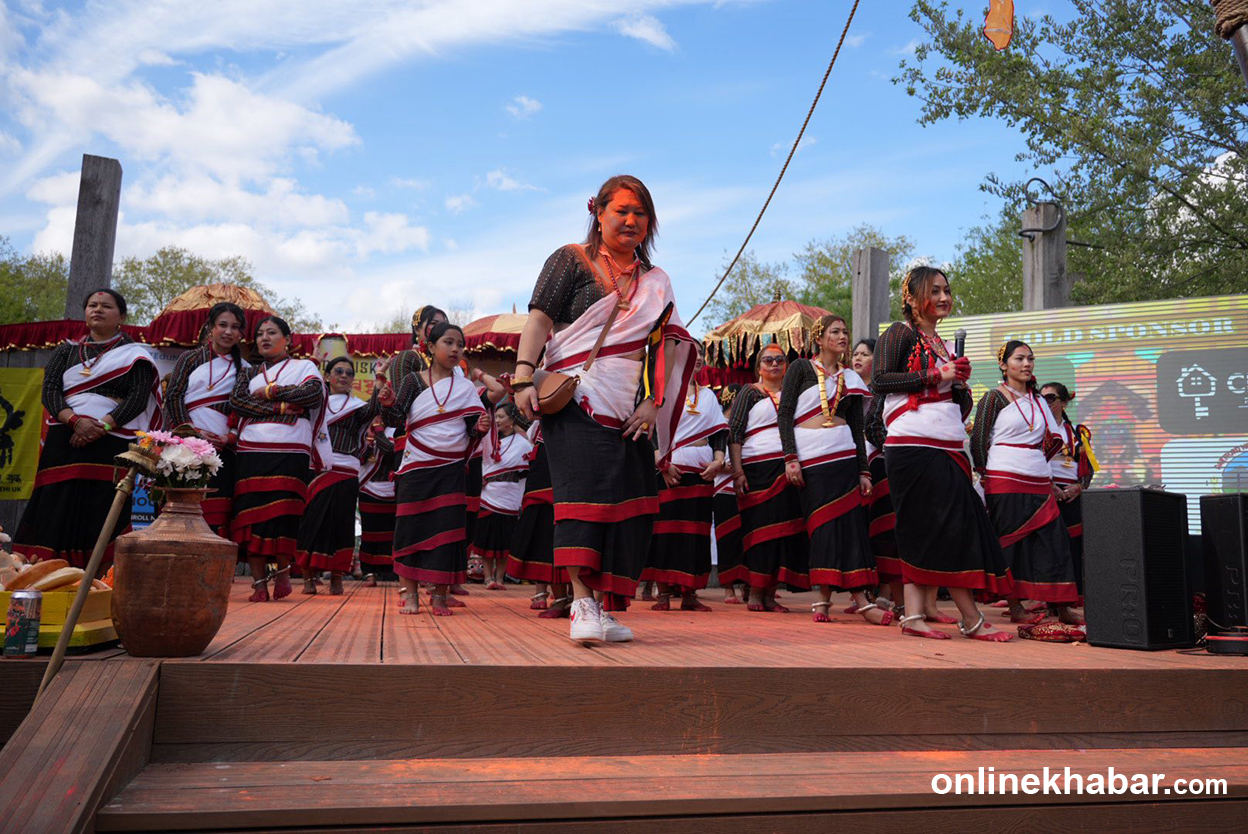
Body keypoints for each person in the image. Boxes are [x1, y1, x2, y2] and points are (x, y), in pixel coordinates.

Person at [513, 174, 697, 644]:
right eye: (622, 211)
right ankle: (580, 603)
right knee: (583, 501)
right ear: (598, 214)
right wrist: (522, 376)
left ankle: (603, 607)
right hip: (576, 397)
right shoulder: (569, 259)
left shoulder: (656, 281)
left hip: (631, 406)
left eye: (641, 213)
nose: (631, 220)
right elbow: (539, 320)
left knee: (628, 506)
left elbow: (666, 344)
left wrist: (653, 403)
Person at [865, 266, 1013, 641]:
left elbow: (955, 403)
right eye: (934, 291)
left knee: (938, 529)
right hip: (912, 445)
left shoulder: (943, 345)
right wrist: (937, 375)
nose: (944, 297)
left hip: (947, 443)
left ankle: (914, 617)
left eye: (947, 290)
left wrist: (959, 385)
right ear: (912, 298)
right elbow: (880, 380)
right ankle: (971, 618)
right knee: (941, 527)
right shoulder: (899, 333)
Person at [15, 289, 160, 567]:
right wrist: (75, 422)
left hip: (112, 439)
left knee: (102, 503)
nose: (98, 309)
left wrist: (101, 426)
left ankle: (98, 575)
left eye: (106, 306)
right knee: (56, 500)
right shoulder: (66, 351)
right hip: (65, 437)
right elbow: (50, 391)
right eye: (92, 305)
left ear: (122, 317)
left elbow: (138, 398)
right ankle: (47, 569)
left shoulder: (135, 356)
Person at [778, 316, 889, 626]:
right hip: (811, 457)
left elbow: (857, 427)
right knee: (822, 527)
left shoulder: (850, 377)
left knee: (851, 528)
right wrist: (790, 457)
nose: (842, 337)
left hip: (844, 457)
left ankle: (853, 600)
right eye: (835, 332)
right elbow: (785, 414)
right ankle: (826, 599)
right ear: (819, 338)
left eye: (845, 332)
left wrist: (864, 471)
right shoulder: (801, 368)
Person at [968, 342, 1083, 624]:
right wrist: (986, 475)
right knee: (1011, 542)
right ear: (1003, 365)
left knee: (1054, 541)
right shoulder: (994, 397)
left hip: (1038, 477)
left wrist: (1045, 474)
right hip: (1004, 476)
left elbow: (1052, 440)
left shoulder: (1039, 401)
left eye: (1030, 359)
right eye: (1019, 359)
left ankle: (1061, 606)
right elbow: (978, 440)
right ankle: (1015, 606)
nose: (1026, 364)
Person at [382, 322, 489, 616]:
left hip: (450, 469)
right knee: (410, 529)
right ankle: (411, 596)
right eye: (448, 342)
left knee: (448, 532)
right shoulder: (412, 381)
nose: (455, 349)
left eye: (460, 345)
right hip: (416, 465)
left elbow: (471, 429)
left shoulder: (466, 388)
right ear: (430, 347)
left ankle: (440, 596)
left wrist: (480, 427)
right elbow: (395, 419)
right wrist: (388, 404)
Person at [229, 316, 327, 602]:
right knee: (250, 514)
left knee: (284, 512)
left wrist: (271, 392)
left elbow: (312, 394)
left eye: (272, 332)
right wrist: (282, 406)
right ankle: (259, 583)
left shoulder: (304, 367)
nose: (264, 338)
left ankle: (283, 572)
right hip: (251, 448)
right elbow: (238, 402)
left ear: (288, 339)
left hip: (290, 448)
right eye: (260, 333)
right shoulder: (249, 372)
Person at [728, 343, 809, 612]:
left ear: (786, 366)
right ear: (759, 367)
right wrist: (737, 472)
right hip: (756, 469)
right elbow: (735, 432)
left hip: (787, 467)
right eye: (768, 360)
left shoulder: (795, 394)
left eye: (779, 360)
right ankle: (754, 592)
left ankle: (771, 594)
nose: (774, 364)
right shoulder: (749, 393)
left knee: (783, 534)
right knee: (760, 532)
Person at [644, 356, 727, 612]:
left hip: (701, 473)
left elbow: (719, 433)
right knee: (665, 531)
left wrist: (719, 461)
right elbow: (650, 431)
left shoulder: (709, 396)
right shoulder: (663, 393)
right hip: (669, 471)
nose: (698, 357)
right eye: (692, 352)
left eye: (700, 353)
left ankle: (690, 592)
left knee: (696, 532)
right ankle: (663, 593)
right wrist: (662, 463)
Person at [295, 357, 382, 595]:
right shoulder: (316, 403)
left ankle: (336, 577)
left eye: (349, 373)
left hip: (346, 470)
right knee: (312, 522)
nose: (344, 376)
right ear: (327, 377)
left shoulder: (356, 407)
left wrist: (379, 377)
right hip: (318, 468)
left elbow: (374, 408)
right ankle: (308, 577)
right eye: (338, 371)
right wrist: (312, 361)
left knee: (342, 524)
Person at [163, 302, 249, 538]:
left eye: (235, 327)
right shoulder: (190, 358)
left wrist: (230, 437)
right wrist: (191, 433)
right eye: (223, 325)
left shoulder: (246, 369)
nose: (228, 332)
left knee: (217, 510)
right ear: (211, 327)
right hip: (185, 446)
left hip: (223, 449)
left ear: (241, 333)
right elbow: (174, 396)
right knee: (181, 506)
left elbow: (244, 411)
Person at [852, 337, 904, 610]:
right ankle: (864, 592)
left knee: (883, 526)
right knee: (859, 527)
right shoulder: (844, 388)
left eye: (865, 354)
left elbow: (877, 427)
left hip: (880, 460)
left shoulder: (883, 389)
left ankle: (884, 592)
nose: (858, 358)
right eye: (855, 354)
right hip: (851, 461)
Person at [506, 416, 571, 616]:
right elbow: (520, 411)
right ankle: (560, 598)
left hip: (582, 444)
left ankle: (579, 599)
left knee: (577, 523)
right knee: (545, 526)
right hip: (548, 455)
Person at [1040, 382, 1094, 600]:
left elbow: (1089, 466)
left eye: (1051, 398)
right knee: (1045, 544)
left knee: (1073, 545)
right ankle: (1042, 596)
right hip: (1044, 489)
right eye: (1042, 398)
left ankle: (1073, 594)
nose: (1045, 402)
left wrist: (1080, 487)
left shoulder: (1078, 432)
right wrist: (1049, 485)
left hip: (1071, 492)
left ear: (1063, 402)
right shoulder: (1036, 428)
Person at [472, 402, 533, 590]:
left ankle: (500, 578)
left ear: (511, 420)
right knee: (486, 538)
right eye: (495, 417)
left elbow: (527, 472)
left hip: (510, 496)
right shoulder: (487, 440)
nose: (496, 420)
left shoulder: (523, 444)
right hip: (488, 494)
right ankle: (488, 578)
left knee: (506, 539)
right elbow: (478, 462)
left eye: (501, 417)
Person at [713, 385, 746, 603]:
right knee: (727, 538)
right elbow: (713, 454)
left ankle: (747, 584)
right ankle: (728, 588)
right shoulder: (719, 424)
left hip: (744, 486)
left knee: (746, 537)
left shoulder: (746, 423)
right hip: (723, 487)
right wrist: (725, 465)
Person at [357, 417, 398, 584]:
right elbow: (360, 457)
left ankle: (390, 571)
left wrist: (379, 432)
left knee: (391, 533)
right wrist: (369, 442)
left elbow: (390, 451)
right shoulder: (363, 431)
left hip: (391, 490)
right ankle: (369, 571)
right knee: (369, 532)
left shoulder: (396, 429)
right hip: (368, 487)